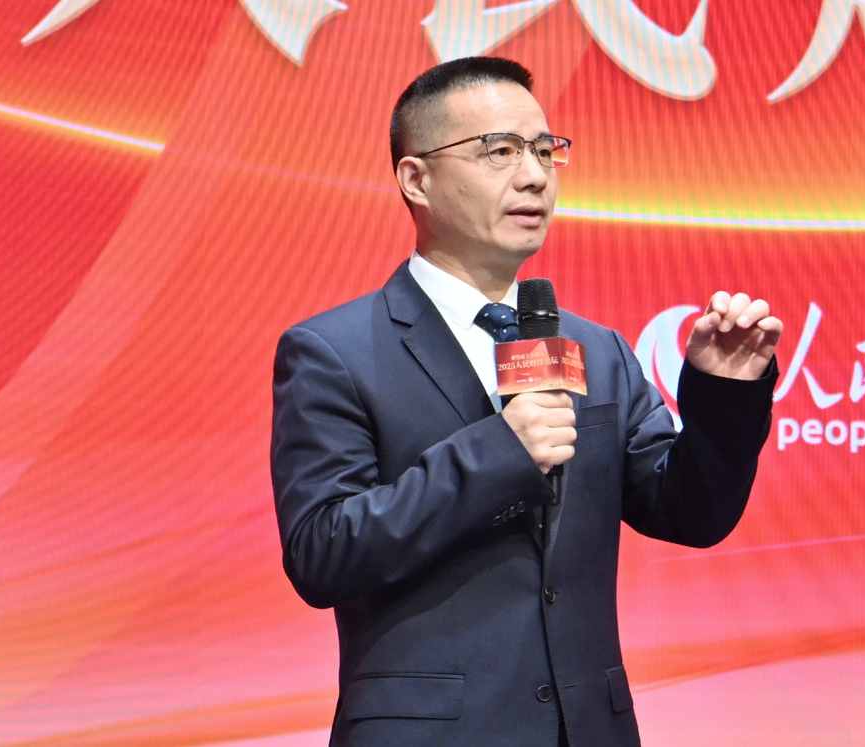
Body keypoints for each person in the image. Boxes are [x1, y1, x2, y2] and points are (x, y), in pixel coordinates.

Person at [271, 56, 783, 747]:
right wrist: (499, 454)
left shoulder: (597, 349)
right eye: (500, 151)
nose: (535, 176)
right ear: (416, 178)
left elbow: (690, 513)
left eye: (545, 150)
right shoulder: (334, 351)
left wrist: (724, 391)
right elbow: (321, 551)